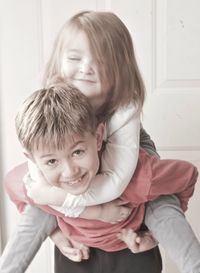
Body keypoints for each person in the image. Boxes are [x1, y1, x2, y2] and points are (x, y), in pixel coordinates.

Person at [1, 10, 200, 273]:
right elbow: (37, 183)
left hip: (124, 159)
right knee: (39, 194)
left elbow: (116, 183)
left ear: (119, 69)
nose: (85, 68)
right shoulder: (50, 101)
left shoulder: (125, 109)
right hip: (75, 158)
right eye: (75, 57)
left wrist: (83, 206)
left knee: (152, 193)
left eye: (101, 61)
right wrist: (77, 216)